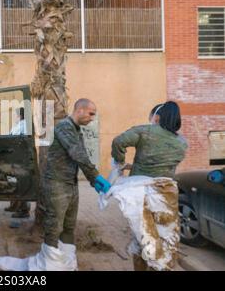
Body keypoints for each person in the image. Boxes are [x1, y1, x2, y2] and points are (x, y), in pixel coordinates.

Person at [111, 101, 188, 271]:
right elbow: (162, 167)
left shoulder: (144, 131)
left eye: (152, 117)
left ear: (157, 117)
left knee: (143, 238)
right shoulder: (182, 143)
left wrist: (120, 161)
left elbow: (118, 142)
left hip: (141, 194)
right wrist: (135, 165)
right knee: (166, 237)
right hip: (166, 195)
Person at [42, 99, 109, 250]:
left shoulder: (76, 129)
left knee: (69, 226)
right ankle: (50, 262)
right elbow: (78, 154)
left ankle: (67, 259)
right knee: (54, 226)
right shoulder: (64, 127)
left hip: (71, 183)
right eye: (90, 114)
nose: (92, 118)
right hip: (57, 184)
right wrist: (96, 176)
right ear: (80, 110)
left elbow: (82, 154)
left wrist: (93, 180)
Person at [4, 108, 31, 218]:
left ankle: (23, 210)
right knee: (14, 182)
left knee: (20, 184)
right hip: (16, 158)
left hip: (20, 159)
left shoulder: (23, 125)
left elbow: (16, 140)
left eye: (17, 114)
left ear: (20, 115)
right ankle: (14, 205)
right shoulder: (20, 124)